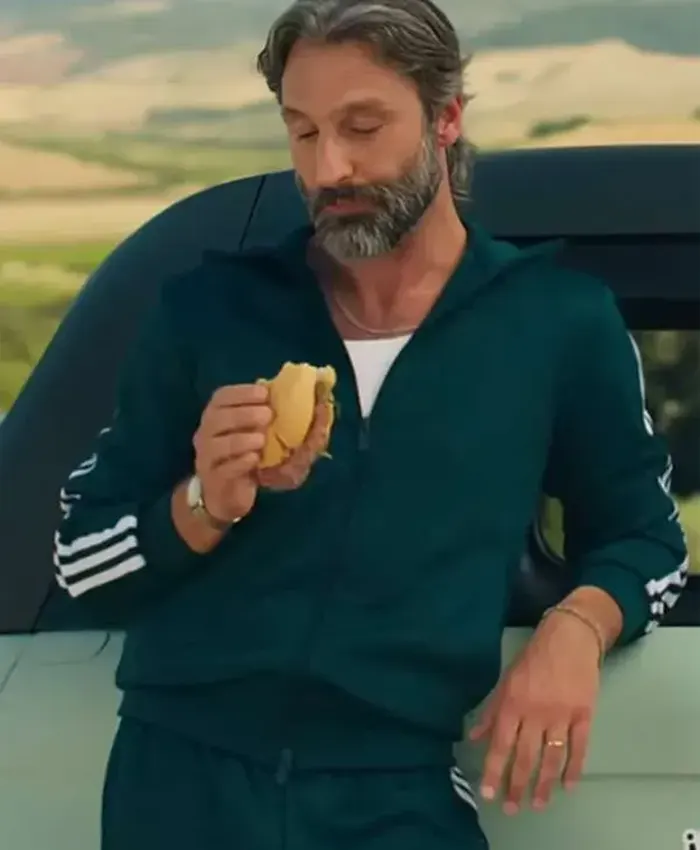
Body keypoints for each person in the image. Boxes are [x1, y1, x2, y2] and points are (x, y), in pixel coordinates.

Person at [53, 1, 689, 848]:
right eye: (303, 132)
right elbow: (80, 559)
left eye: (362, 127)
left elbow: (647, 541)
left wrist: (576, 631)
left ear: (446, 119)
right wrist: (205, 502)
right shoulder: (210, 311)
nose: (329, 168)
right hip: (178, 789)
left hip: (396, 794)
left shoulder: (556, 323)